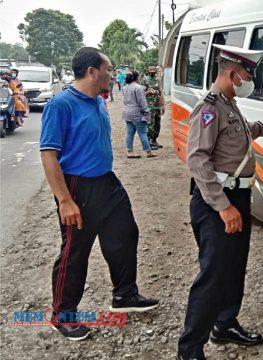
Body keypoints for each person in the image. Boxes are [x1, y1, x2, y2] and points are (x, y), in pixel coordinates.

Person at [177, 44, 263, 360]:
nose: (250, 79)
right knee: (213, 275)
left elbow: (246, 132)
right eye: (248, 73)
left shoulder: (229, 103)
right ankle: (189, 348)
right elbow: (197, 159)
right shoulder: (209, 107)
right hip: (217, 202)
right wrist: (223, 206)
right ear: (232, 73)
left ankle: (224, 325)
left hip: (236, 197)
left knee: (234, 266)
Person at [39, 47, 159, 341]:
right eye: (107, 69)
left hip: (107, 182)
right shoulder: (61, 105)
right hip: (78, 188)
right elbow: (48, 155)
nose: (112, 74)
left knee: (125, 234)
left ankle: (124, 296)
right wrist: (65, 200)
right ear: (92, 72)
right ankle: (62, 315)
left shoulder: (98, 102)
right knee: (75, 252)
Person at [122, 70, 157, 158]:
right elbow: (142, 102)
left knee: (130, 133)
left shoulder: (125, 87)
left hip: (127, 112)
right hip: (137, 113)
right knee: (143, 133)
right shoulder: (138, 88)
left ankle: (129, 152)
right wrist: (146, 112)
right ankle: (149, 152)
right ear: (137, 77)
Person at [141, 64, 165, 150]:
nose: (152, 71)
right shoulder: (144, 80)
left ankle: (154, 141)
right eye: (150, 69)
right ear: (147, 70)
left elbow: (161, 93)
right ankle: (148, 143)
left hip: (157, 106)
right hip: (149, 107)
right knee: (150, 125)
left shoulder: (158, 79)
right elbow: (141, 94)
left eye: (153, 69)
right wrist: (149, 92)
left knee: (157, 125)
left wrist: (163, 105)